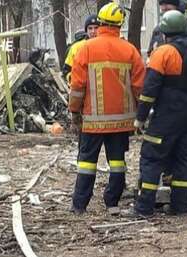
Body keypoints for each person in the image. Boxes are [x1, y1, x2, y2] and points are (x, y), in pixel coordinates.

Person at [68, 1, 145, 215]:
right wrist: (142, 113)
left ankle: (79, 205)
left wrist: (74, 112)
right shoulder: (130, 50)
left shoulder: (85, 49)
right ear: (120, 24)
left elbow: (77, 86)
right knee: (118, 163)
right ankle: (112, 202)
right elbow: (140, 86)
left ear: (100, 21)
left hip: (92, 121)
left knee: (86, 163)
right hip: (121, 121)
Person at [133, 11, 187, 216]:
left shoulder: (163, 53)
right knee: (183, 159)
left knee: (151, 157)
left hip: (166, 115)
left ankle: (143, 208)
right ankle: (180, 207)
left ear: (165, 33)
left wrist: (140, 117)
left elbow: (149, 89)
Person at [63, 15, 99, 83]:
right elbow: (66, 70)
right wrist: (74, 79)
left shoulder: (105, 46)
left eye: (96, 28)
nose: (93, 31)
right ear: (86, 30)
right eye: (90, 28)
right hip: (82, 89)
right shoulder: (76, 47)